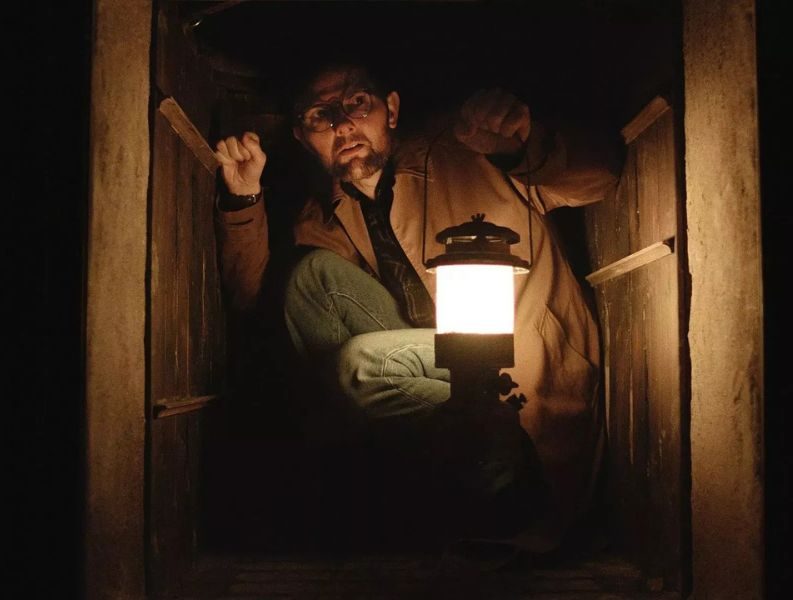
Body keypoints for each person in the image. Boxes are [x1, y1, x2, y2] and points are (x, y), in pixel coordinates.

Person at [212, 62, 620, 555]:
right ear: (303, 137)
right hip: (433, 371)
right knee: (308, 279)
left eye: (357, 104)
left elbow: (600, 178)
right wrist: (243, 196)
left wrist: (522, 143)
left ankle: (502, 473)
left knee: (361, 364)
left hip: (515, 365)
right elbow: (255, 304)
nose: (343, 125)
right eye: (320, 117)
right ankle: (406, 484)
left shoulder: (466, 151)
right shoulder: (325, 217)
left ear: (392, 111)